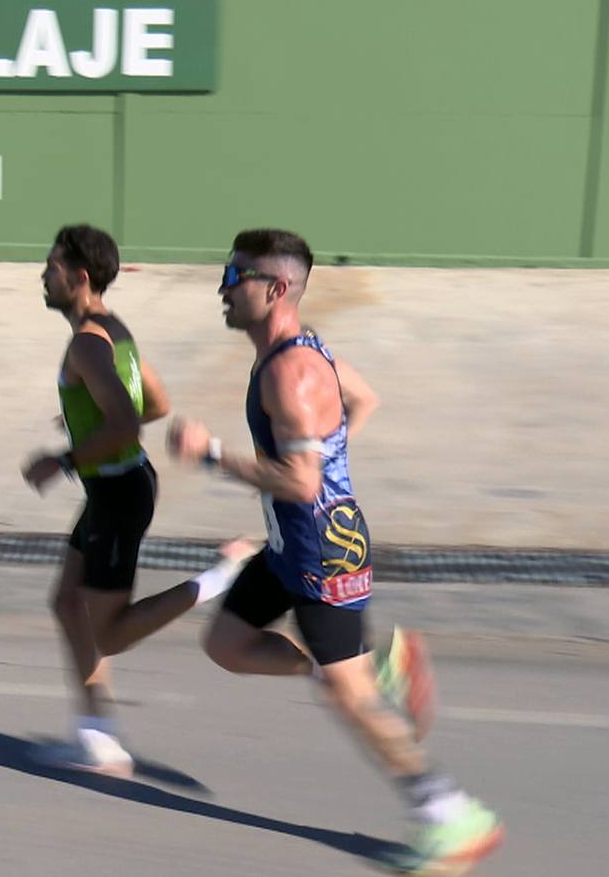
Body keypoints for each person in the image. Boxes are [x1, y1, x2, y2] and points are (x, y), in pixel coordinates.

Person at [167, 228, 502, 873]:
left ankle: (453, 815)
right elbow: (361, 400)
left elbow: (300, 480)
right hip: (289, 542)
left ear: (275, 288)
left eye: (236, 278)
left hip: (322, 554)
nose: (223, 289)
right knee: (227, 647)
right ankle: (372, 667)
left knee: (350, 700)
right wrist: (333, 464)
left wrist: (211, 456)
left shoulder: (291, 372)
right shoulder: (301, 351)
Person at [22, 224, 244, 777]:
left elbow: (125, 420)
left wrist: (65, 459)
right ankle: (99, 738)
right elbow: (155, 402)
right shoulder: (113, 331)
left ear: (79, 278)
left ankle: (220, 578)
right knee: (67, 604)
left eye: (51, 268)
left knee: (112, 633)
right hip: (117, 488)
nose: (42, 276)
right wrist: (86, 418)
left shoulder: (85, 343)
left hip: (118, 493)